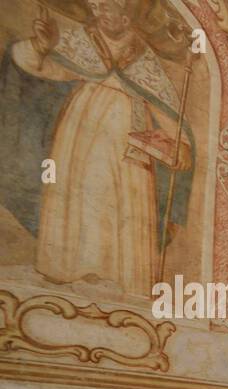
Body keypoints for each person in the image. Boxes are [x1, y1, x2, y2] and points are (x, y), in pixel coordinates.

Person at [4, 0, 193, 296]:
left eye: (111, 7)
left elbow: (166, 108)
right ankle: (69, 267)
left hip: (128, 141)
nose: (103, 13)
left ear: (127, 13)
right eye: (98, 7)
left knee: (123, 201)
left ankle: (122, 277)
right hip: (81, 132)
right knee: (81, 192)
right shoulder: (80, 41)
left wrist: (181, 145)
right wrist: (40, 47)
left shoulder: (142, 56)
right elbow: (40, 67)